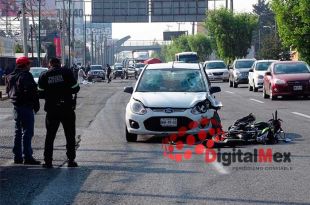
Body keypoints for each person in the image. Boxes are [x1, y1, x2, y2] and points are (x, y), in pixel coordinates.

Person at [38, 58, 80, 168]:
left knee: (50, 136)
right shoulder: (67, 72)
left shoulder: (44, 75)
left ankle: (48, 162)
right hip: (67, 108)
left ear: (49, 64)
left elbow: (40, 93)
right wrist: (66, 91)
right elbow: (76, 88)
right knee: (70, 135)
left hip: (52, 110)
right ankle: (71, 160)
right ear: (59, 64)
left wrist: (50, 94)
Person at [6, 56, 41, 165]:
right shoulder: (26, 75)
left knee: (18, 131)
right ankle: (28, 156)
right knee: (27, 132)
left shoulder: (10, 76)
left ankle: (17, 156)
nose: (30, 65)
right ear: (25, 65)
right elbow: (31, 92)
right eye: (28, 63)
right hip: (26, 106)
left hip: (16, 106)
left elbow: (8, 91)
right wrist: (36, 105)